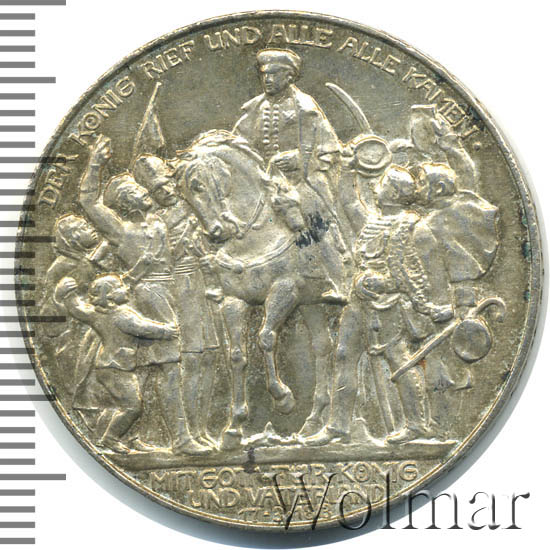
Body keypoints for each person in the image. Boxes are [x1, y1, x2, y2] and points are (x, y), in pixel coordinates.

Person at [78, 135, 210, 456]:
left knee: (157, 368)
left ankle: (133, 432)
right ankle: (180, 439)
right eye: (137, 190)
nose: (145, 191)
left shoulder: (158, 222)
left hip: (169, 292)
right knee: (168, 367)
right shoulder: (120, 230)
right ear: (127, 203)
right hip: (148, 297)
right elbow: (89, 202)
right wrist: (95, 164)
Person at [306, 165, 434, 445]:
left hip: (389, 304)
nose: (376, 187)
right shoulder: (371, 221)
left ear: (395, 193)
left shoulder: (414, 228)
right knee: (344, 356)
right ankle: (337, 426)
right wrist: (350, 165)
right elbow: (349, 200)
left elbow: (421, 275)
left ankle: (416, 425)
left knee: (398, 358)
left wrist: (385, 283)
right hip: (358, 302)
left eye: (383, 183)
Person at [233, 48, 350, 299]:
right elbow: (238, 144)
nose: (268, 79)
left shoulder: (306, 108)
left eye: (274, 74)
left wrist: (300, 159)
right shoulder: (254, 109)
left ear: (289, 76)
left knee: (317, 224)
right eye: (265, 74)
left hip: (303, 181)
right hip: (265, 179)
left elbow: (330, 149)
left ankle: (339, 283)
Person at [134, 154, 221, 449]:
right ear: (151, 194)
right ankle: (186, 433)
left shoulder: (194, 205)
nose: (167, 191)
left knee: (210, 356)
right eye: (158, 189)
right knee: (191, 359)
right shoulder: (155, 222)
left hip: (204, 282)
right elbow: (156, 260)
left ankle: (201, 429)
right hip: (180, 289)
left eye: (168, 183)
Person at [54, 275, 178, 454]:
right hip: (115, 368)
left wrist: (68, 294)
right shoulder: (122, 315)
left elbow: (77, 310)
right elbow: (141, 328)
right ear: (110, 295)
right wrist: (165, 331)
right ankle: (111, 438)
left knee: (133, 402)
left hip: (114, 367)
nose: (126, 288)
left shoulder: (95, 314)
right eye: (120, 286)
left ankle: (131, 438)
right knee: (132, 407)